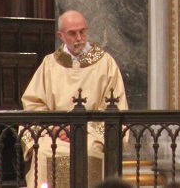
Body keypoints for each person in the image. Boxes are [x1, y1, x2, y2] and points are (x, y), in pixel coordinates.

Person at [21, 10, 129, 188]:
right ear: (61, 35)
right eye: (72, 33)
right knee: (43, 151)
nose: (79, 38)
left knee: (91, 150)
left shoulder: (105, 63)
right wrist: (55, 128)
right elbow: (33, 104)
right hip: (55, 133)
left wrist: (81, 128)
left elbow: (114, 105)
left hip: (91, 133)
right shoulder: (50, 64)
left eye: (82, 31)